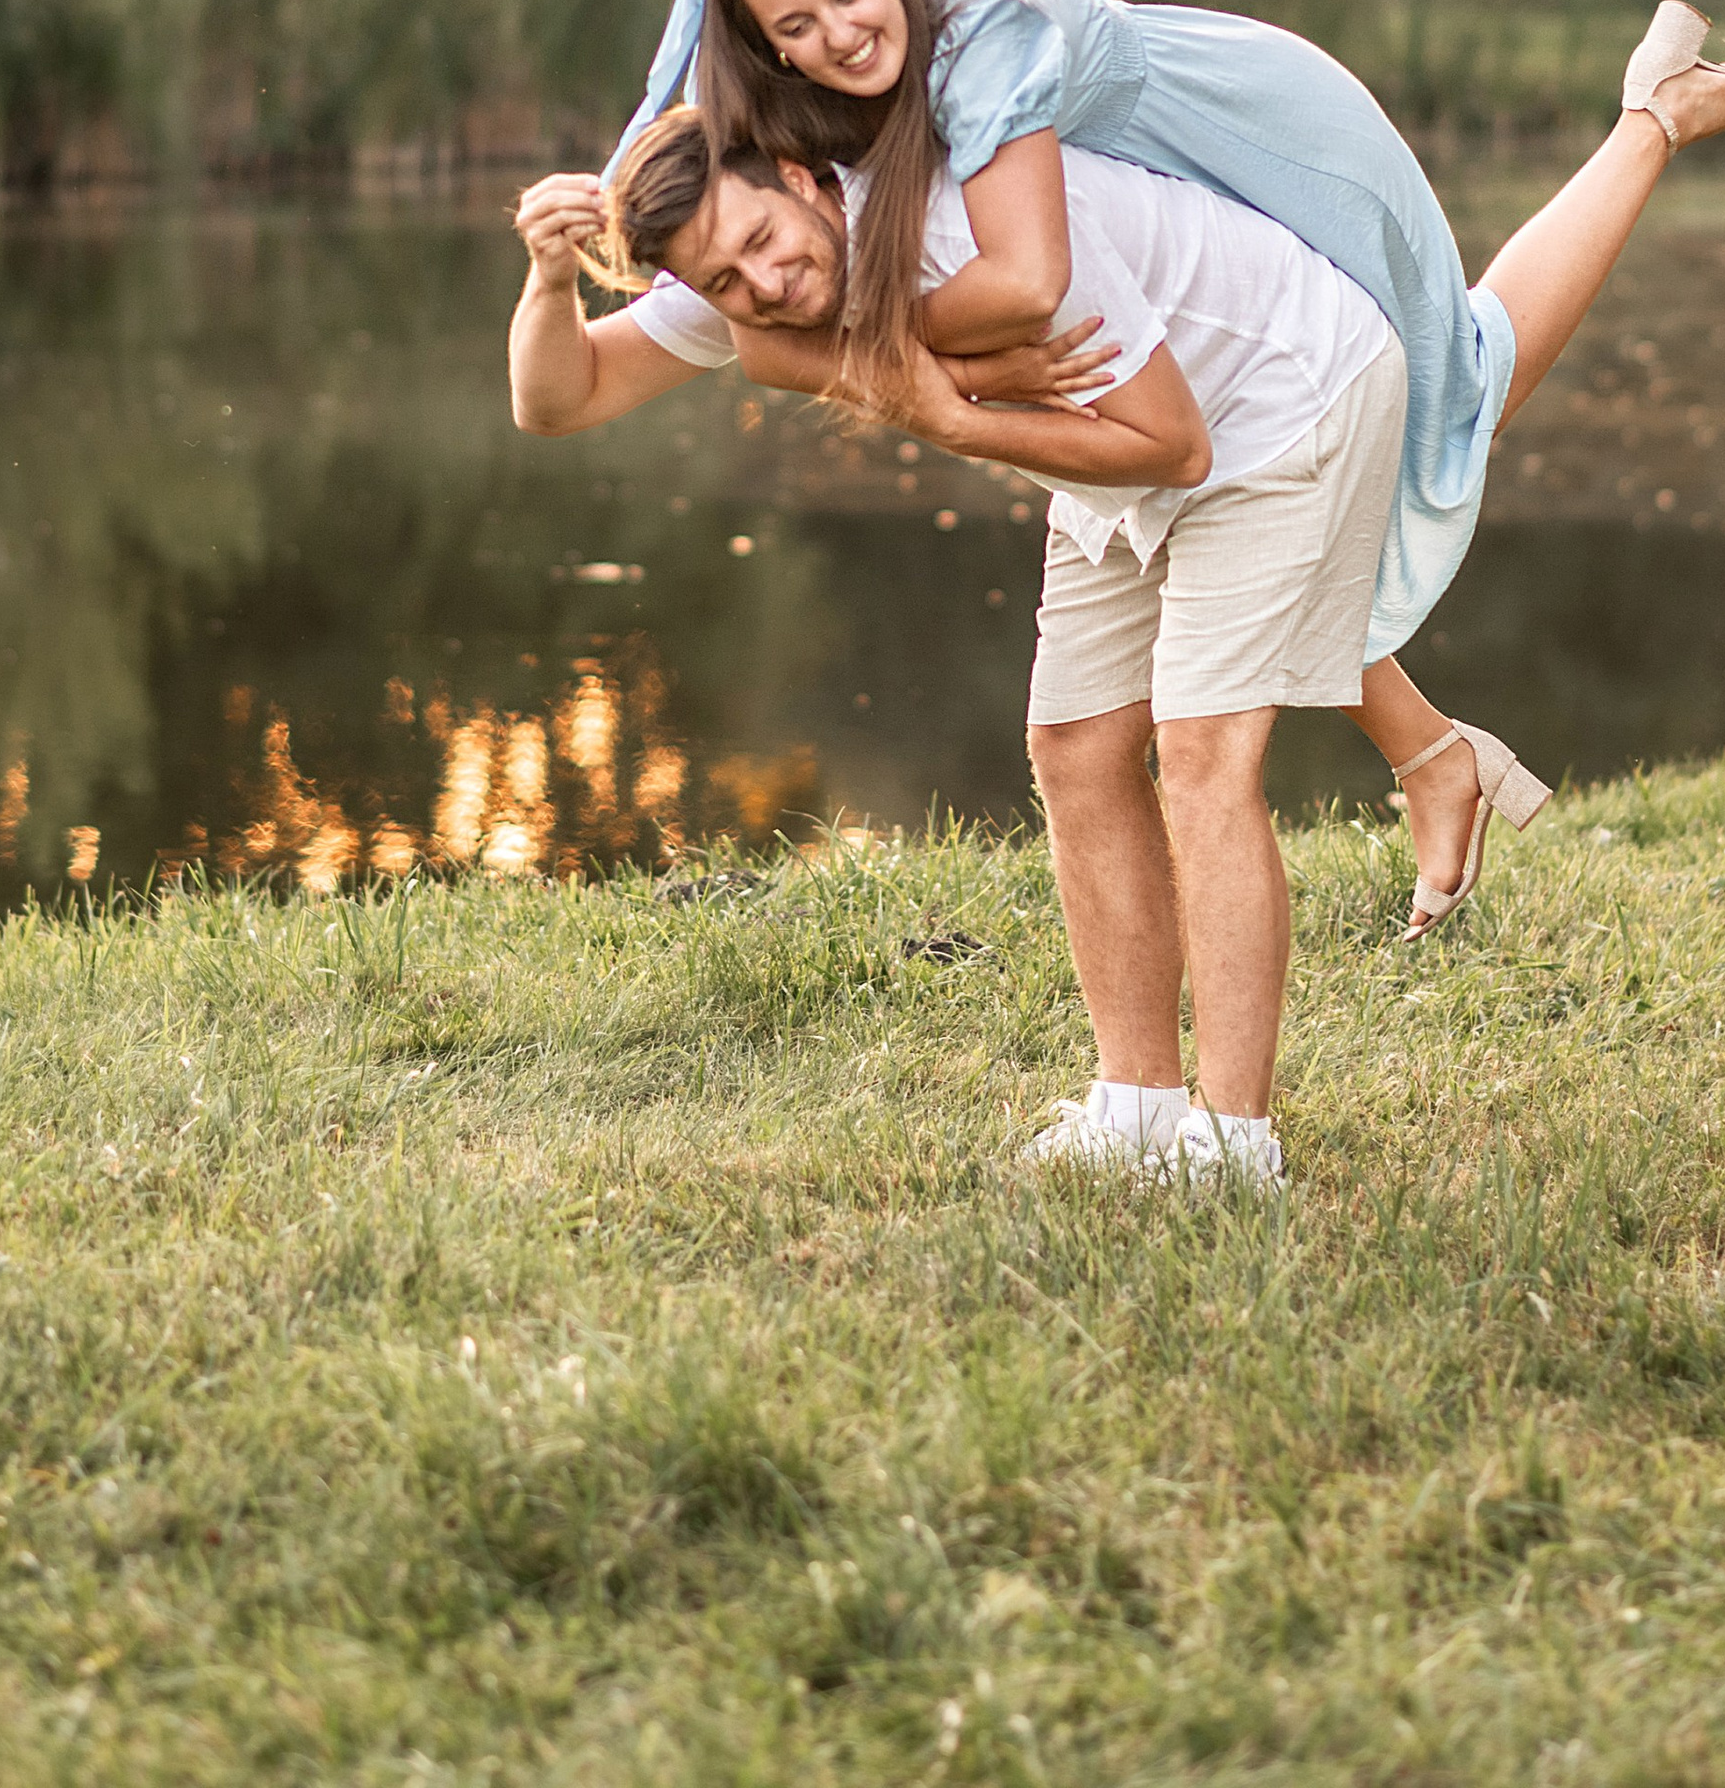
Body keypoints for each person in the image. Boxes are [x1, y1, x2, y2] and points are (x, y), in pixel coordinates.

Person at [604, 0, 1725, 929]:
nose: (834, 35)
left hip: (1245, 130)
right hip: (1147, 179)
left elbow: (1021, 282)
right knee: (1237, 493)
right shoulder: (816, 77)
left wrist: (898, 369)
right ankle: (1434, 757)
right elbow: (679, 151)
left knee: (1444, 380)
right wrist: (598, 249)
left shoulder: (982, 37)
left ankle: (1655, 117)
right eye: (793, 28)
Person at [512, 108, 1547, 1183]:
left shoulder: (965, 224)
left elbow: (1178, 445)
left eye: (762, 244)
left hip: (1284, 402)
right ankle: (1136, 1105)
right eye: (725, 282)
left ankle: (1236, 1142)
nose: (762, 286)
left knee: (1202, 761)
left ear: (798, 175)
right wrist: (549, 282)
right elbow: (558, 398)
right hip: (1131, 446)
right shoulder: (762, 278)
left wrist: (949, 416)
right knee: (1074, 748)